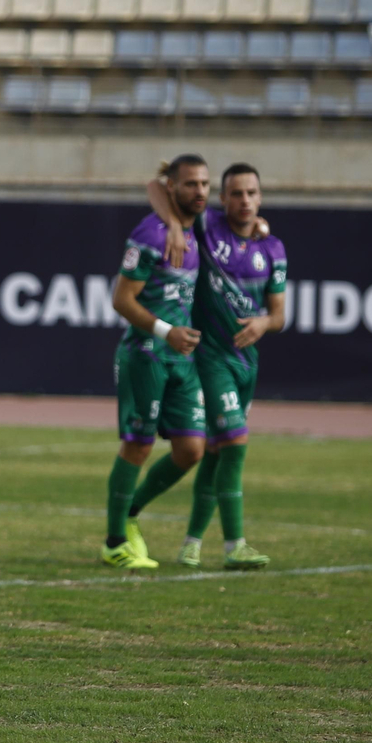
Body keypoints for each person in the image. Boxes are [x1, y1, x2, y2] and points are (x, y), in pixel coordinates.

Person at [142, 162, 286, 570]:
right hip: (210, 357)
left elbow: (279, 316)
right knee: (236, 443)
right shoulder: (207, 228)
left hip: (246, 362)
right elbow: (154, 185)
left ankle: (190, 544)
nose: (244, 201)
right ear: (224, 199)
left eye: (251, 193)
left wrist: (264, 322)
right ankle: (235, 546)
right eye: (236, 193)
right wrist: (172, 224)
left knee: (217, 453)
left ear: (261, 197)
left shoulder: (272, 248)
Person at [103, 154, 209, 570]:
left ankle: (131, 512)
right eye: (189, 185)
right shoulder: (150, 235)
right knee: (139, 444)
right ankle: (114, 542)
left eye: (204, 184)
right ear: (172, 188)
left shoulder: (197, 228)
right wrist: (166, 331)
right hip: (147, 354)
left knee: (191, 450)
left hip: (183, 358)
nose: (199, 192)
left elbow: (157, 187)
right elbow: (121, 300)